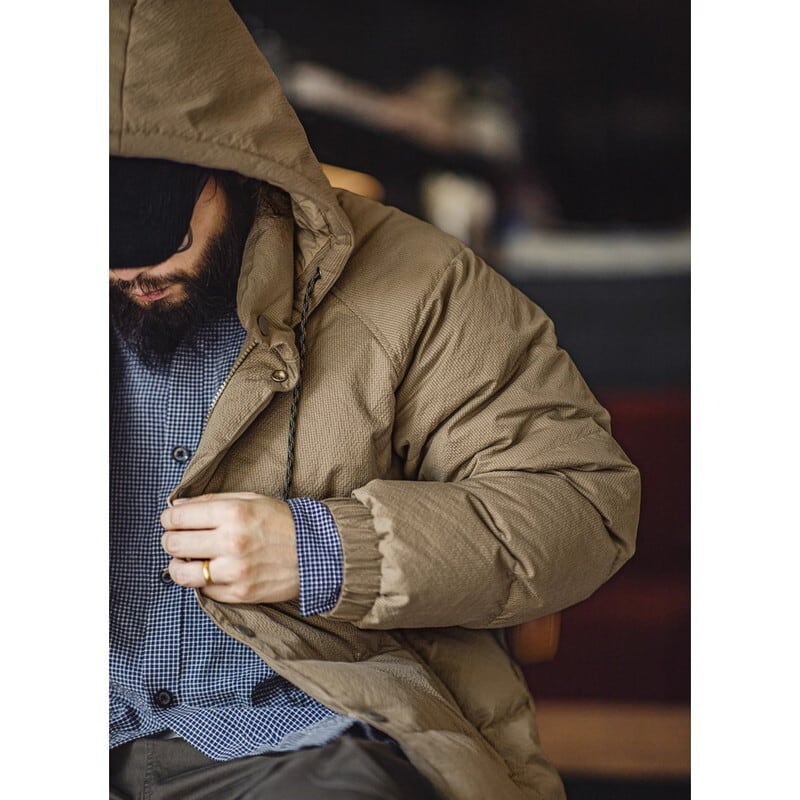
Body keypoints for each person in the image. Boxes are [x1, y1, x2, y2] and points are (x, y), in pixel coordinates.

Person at [109, 1, 641, 798]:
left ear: (239, 163)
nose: (130, 275)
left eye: (162, 236)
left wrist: (326, 551)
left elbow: (581, 507)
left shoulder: (420, 286)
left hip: (303, 741)